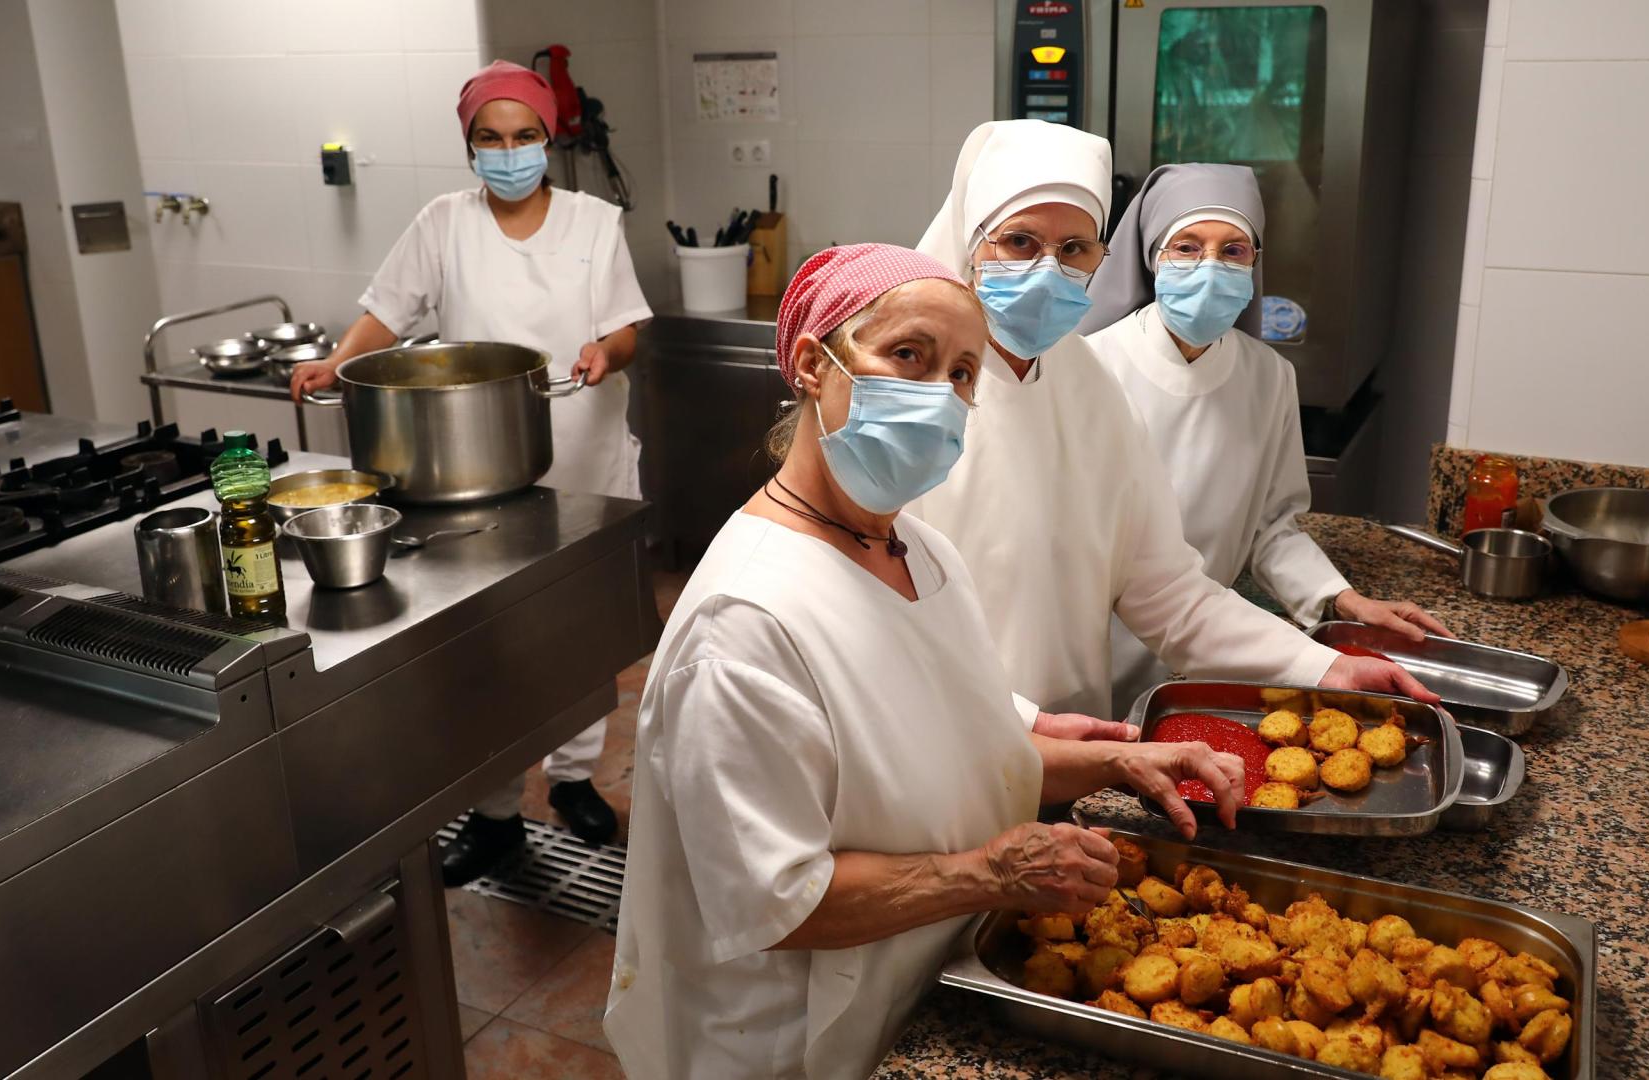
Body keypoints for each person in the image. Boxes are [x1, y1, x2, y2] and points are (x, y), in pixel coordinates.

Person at [604, 244, 1248, 1079]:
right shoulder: (743, 627)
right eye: (907, 355)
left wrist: (1118, 761)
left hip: (917, 981)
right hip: (793, 1038)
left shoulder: (921, 549)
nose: (938, 395)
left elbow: (967, 754)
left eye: (962, 373)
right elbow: (778, 900)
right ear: (812, 363)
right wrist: (993, 871)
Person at [908, 121, 1435, 723]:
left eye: (1076, 248)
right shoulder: (914, 401)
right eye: (1020, 242)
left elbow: (1162, 588)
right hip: (953, 740)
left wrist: (1323, 666)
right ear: (969, 243)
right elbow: (885, 623)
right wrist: (1025, 728)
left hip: (1079, 742)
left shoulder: (1089, 387)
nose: (1048, 270)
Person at [291, 60, 653, 879]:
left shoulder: (595, 221)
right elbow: (389, 308)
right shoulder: (443, 223)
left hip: (582, 449)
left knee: (578, 635)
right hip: (472, 467)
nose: (509, 151)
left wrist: (604, 350)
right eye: (490, 138)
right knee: (485, 648)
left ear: (548, 138)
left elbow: (628, 326)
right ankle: (492, 815)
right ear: (470, 147)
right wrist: (336, 360)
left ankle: (571, 780)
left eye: (524, 135)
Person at [1078, 164, 1449, 706]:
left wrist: (1343, 598)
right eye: (1186, 246)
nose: (1210, 267)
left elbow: (1271, 527)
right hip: (1092, 652)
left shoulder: (1269, 376)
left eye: (1233, 250)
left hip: (1213, 648)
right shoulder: (1090, 368)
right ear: (1153, 255)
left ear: (1255, 263)